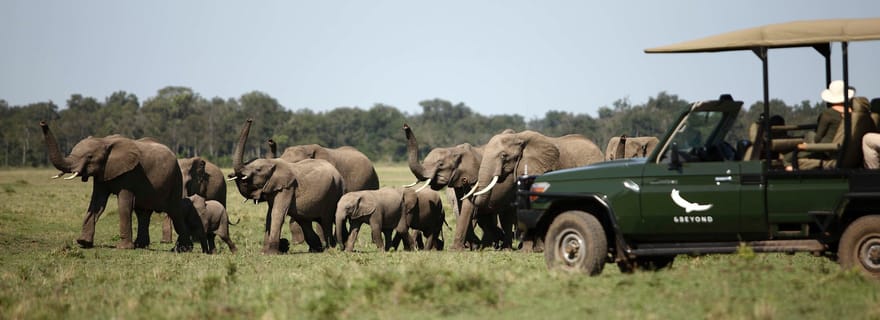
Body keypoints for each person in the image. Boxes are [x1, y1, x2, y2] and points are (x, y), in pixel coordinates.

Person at [785, 80, 855, 171]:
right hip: (841, 149)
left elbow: (818, 138)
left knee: (787, 158)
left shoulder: (828, 113)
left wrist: (807, 144)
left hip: (826, 149)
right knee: (810, 135)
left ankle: (792, 173)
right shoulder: (853, 113)